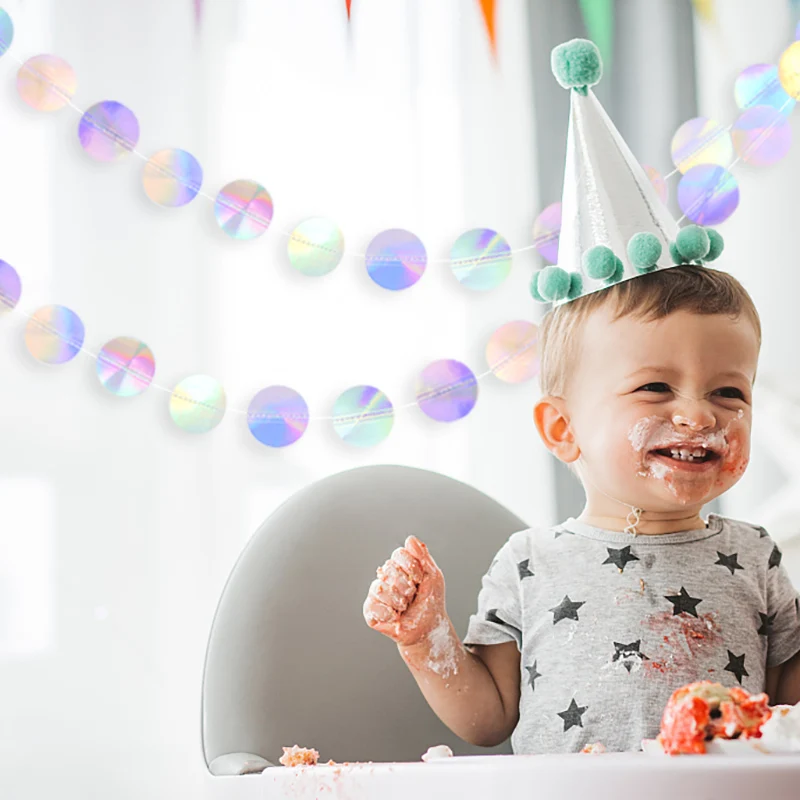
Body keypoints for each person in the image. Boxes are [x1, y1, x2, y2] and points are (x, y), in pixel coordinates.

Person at [362, 39, 800, 754]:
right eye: (655, 387)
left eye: (729, 392)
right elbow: (488, 719)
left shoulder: (756, 558)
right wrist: (425, 638)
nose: (699, 414)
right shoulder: (530, 564)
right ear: (563, 429)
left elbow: (786, 714)